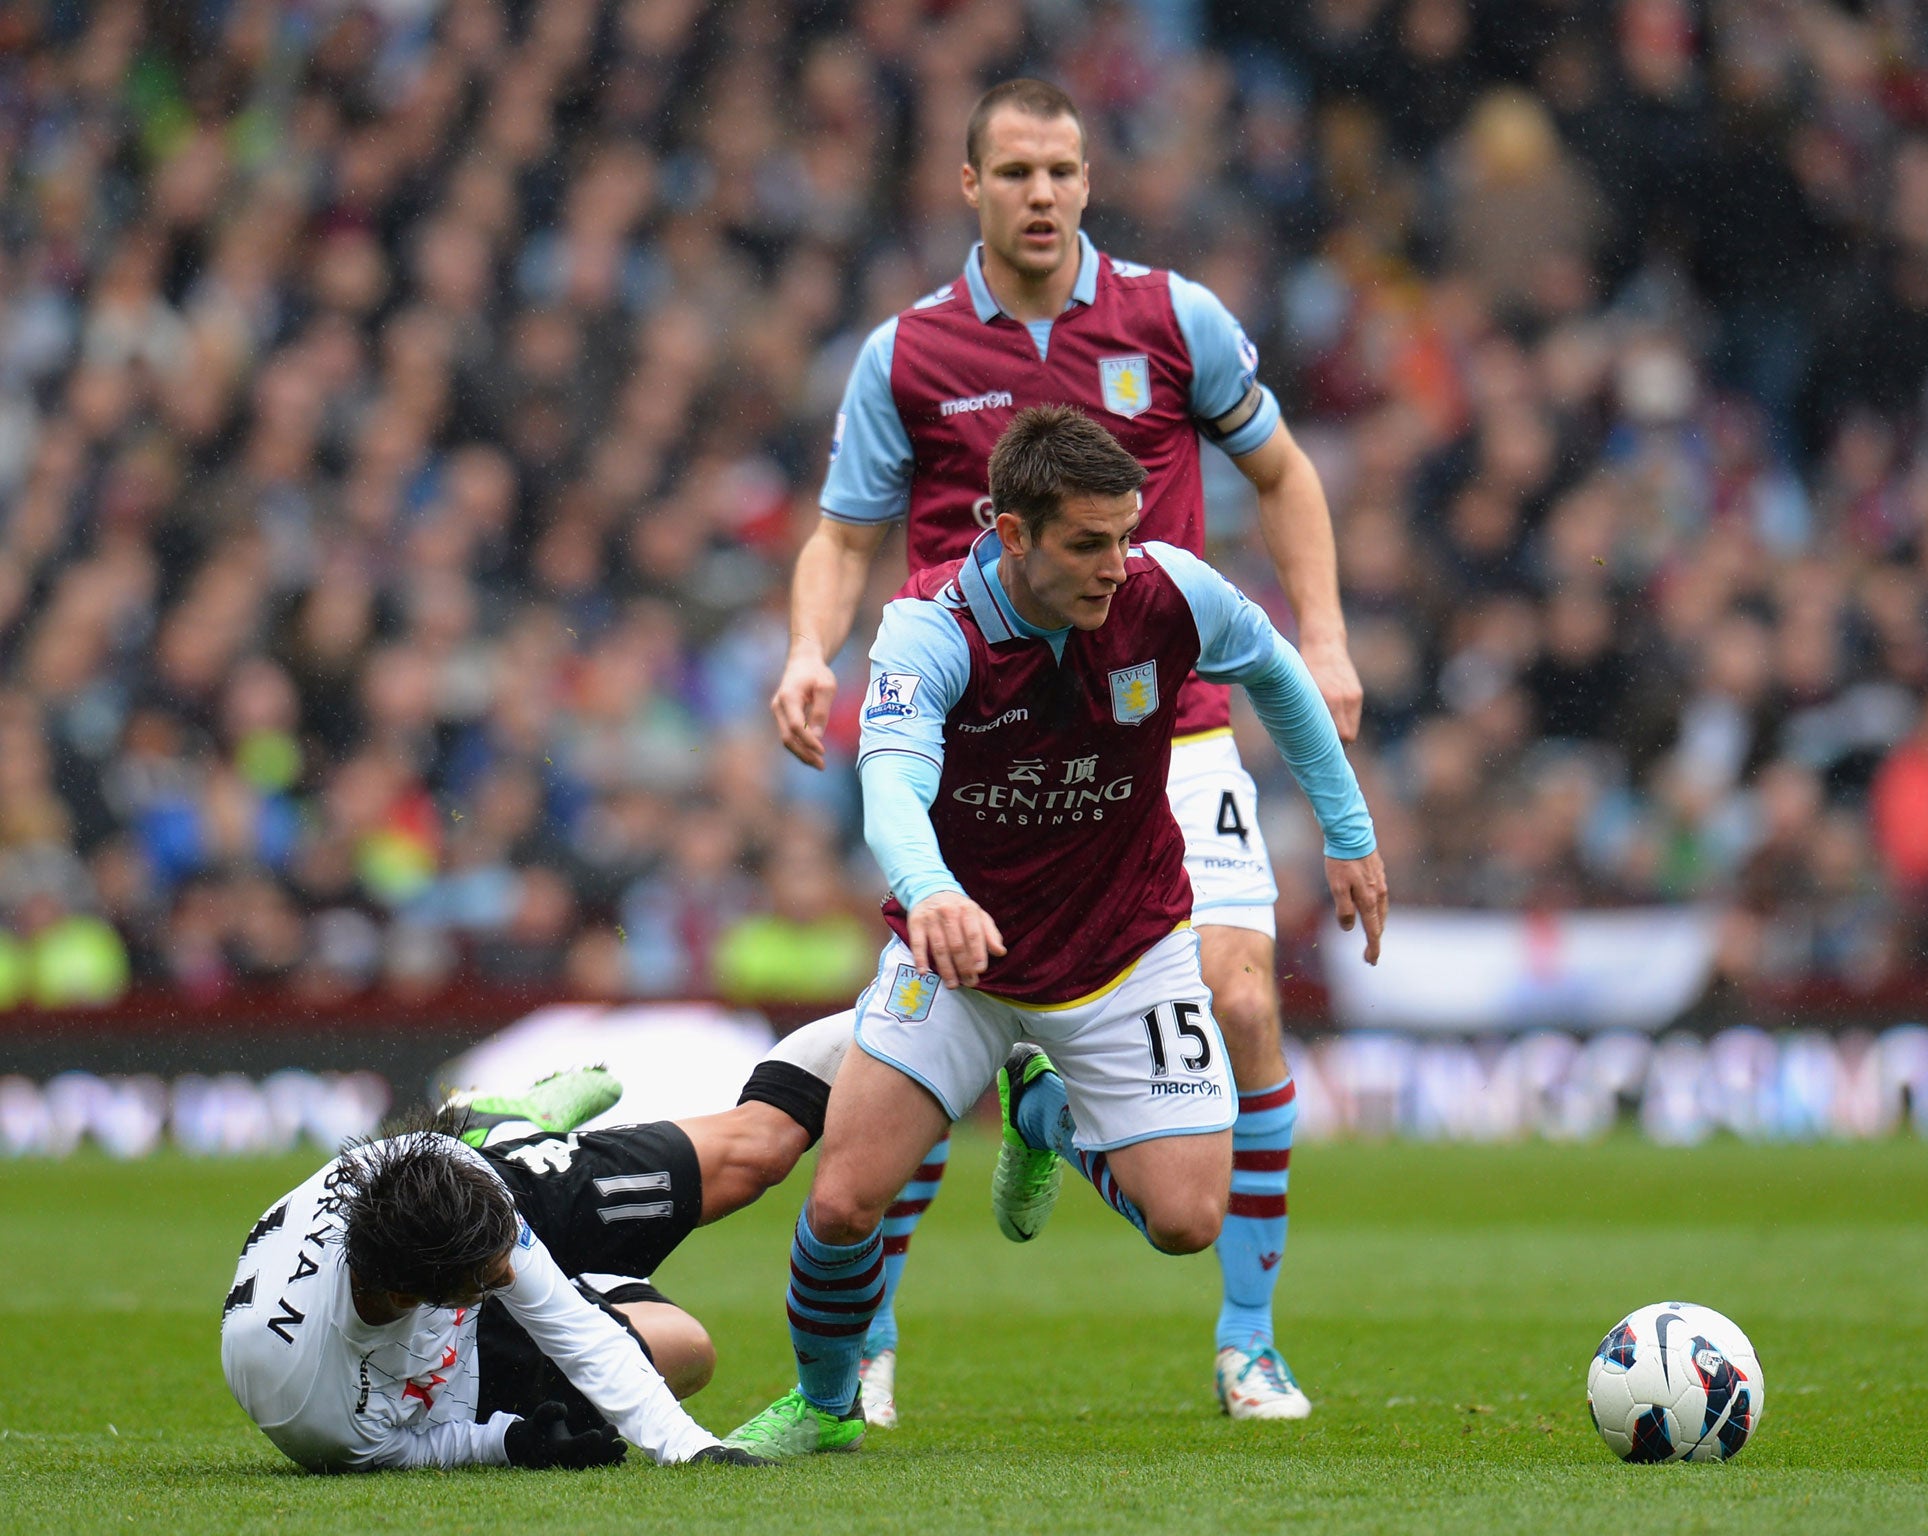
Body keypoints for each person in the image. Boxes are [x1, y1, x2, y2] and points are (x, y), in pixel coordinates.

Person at [770, 77, 1364, 1423]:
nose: (1043, 194)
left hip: (1159, 720)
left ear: (1089, 184)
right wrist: (810, 650)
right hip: (979, 725)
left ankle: (1248, 1340)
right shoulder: (907, 354)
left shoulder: (1171, 318)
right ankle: (864, 1339)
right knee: (948, 974)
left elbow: (1284, 475)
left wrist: (1321, 641)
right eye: (1016, 172)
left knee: (1251, 998)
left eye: (1064, 171)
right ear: (968, 187)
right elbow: (845, 532)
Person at [727, 406, 1386, 1459]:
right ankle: (822, 1402)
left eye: (1125, 535)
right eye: (1089, 542)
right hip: (962, 957)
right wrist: (930, 888)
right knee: (845, 1200)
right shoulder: (927, 628)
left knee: (1186, 1222)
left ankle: (1042, 1118)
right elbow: (888, 778)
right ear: (1012, 531)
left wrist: (1347, 831)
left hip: (1126, 950)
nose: (1116, 565)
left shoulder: (1168, 591)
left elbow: (1273, 674)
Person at [220, 1027, 850, 1472]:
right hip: (466, 1361)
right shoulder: (308, 1402)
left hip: (469, 1181)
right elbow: (405, 1447)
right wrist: (511, 1442)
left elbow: (572, 1329)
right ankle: (564, 1233)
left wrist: (692, 1448)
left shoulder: (451, 1180)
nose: (511, 1268)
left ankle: (503, 1124)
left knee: (757, 1154)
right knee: (689, 1351)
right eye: (494, 1277)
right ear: (417, 1298)